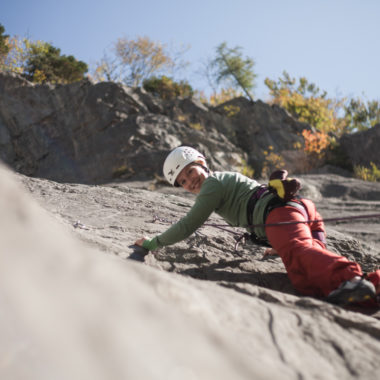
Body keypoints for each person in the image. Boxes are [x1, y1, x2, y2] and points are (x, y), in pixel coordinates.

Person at [135, 146, 380, 306]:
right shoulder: (222, 182)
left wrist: (153, 243)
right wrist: (278, 243)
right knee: (303, 276)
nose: (190, 181)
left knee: (300, 255)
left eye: (190, 171)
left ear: (202, 163)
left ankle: (352, 279)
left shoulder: (212, 185)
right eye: (183, 181)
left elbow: (189, 224)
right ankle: (370, 288)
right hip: (295, 212)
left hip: (281, 215)